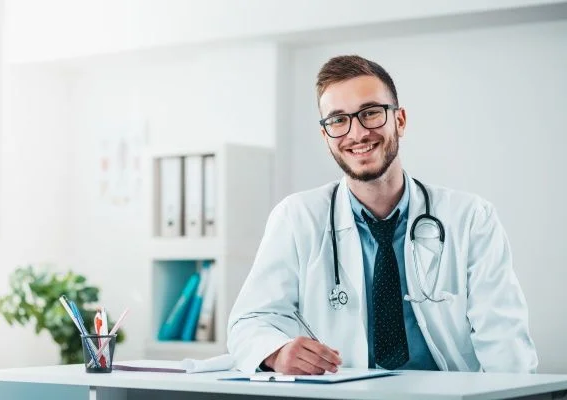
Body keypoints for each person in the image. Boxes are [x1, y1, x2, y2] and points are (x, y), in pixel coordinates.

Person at [227, 55, 538, 375]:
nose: (357, 133)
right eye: (338, 120)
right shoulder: (296, 218)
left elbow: (505, 344)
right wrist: (276, 353)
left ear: (400, 120)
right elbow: (249, 322)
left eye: (371, 113)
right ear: (326, 136)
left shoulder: (471, 219)